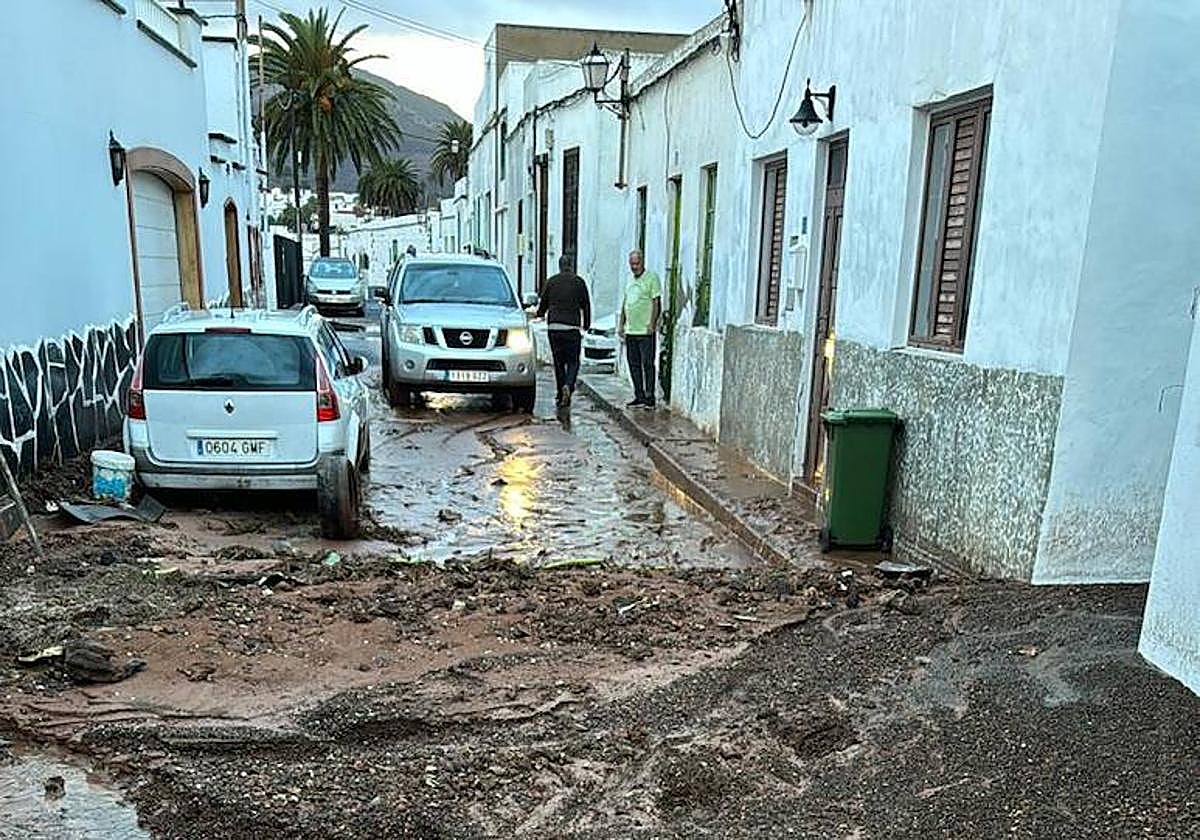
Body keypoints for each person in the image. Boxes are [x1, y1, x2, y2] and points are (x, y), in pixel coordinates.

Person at [537, 253, 591, 408]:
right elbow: (586, 304)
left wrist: (539, 314)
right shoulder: (579, 282)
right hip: (572, 327)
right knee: (573, 361)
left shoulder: (551, 282)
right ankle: (569, 385)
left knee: (558, 362)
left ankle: (561, 393)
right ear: (571, 266)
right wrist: (586, 324)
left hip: (554, 327)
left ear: (559, 266)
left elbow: (543, 304)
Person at [617, 249, 662, 409]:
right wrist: (621, 323)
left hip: (645, 330)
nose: (634, 267)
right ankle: (639, 394)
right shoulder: (629, 280)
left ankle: (650, 397)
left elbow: (656, 302)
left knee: (647, 363)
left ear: (642, 262)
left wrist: (652, 323)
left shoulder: (652, 278)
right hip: (631, 330)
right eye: (632, 264)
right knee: (633, 363)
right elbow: (625, 303)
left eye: (637, 263)